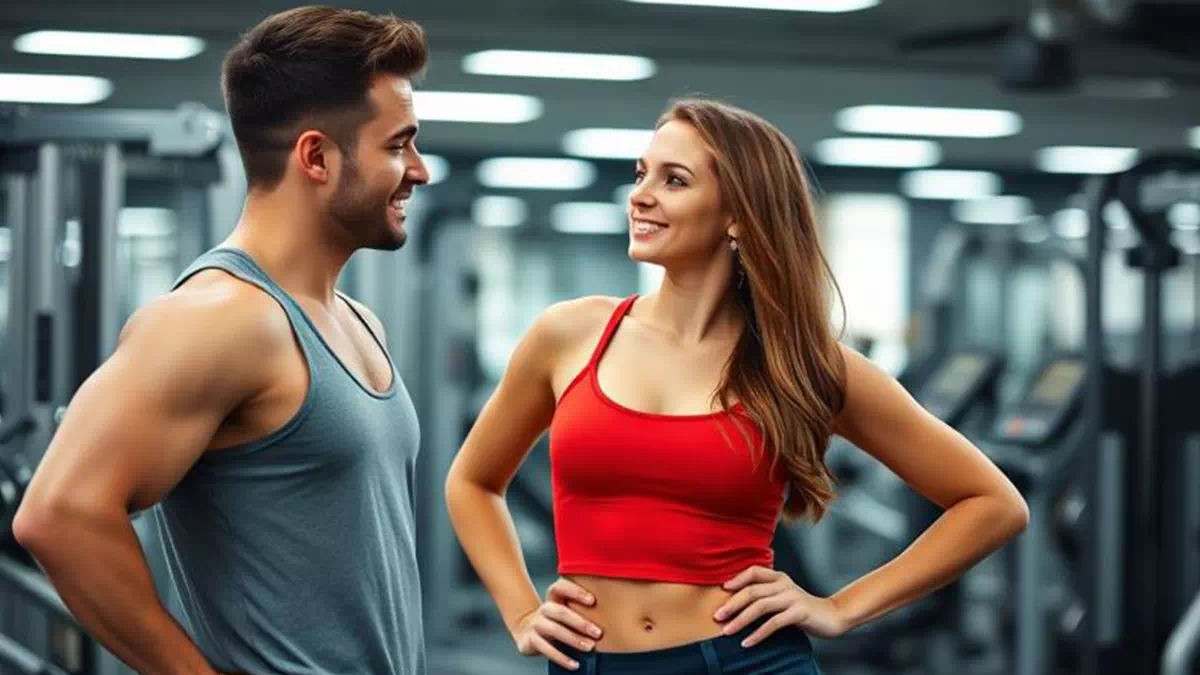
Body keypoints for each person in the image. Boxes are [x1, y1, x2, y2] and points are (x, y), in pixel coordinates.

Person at [444, 99, 1030, 674]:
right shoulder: (567, 333)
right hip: (589, 663)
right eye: (641, 173)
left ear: (738, 216)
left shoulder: (803, 364)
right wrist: (521, 612)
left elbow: (992, 504)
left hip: (744, 661)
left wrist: (841, 608)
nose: (640, 195)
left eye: (675, 180)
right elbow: (473, 481)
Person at [13, 6, 432, 674]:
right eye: (398, 144)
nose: (419, 169)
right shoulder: (218, 318)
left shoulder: (358, 321)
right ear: (317, 156)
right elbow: (57, 515)